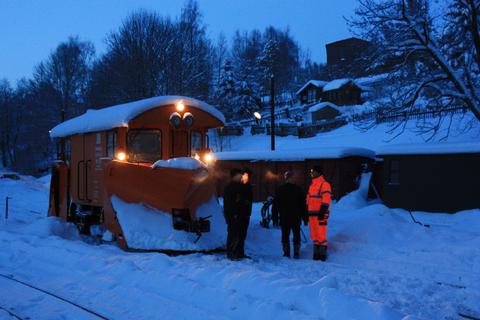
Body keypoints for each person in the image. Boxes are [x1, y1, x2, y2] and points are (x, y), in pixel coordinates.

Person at [272, 171, 307, 259]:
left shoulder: (286, 189)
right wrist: (275, 217)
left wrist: (305, 217)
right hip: (289, 216)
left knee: (292, 235)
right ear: (289, 178)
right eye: (292, 177)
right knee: (289, 235)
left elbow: (303, 204)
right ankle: (289, 253)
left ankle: (292, 253)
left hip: (290, 216)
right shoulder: (295, 189)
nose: (293, 179)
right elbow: (276, 204)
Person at [223, 168, 253, 260]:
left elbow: (246, 197)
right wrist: (233, 213)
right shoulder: (230, 187)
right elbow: (229, 203)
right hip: (234, 215)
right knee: (233, 234)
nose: (241, 176)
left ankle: (240, 252)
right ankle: (231, 253)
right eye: (239, 174)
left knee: (241, 234)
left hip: (243, 214)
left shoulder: (242, 186)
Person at [306, 165, 332, 261]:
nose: (311, 173)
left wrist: (323, 211)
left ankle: (322, 255)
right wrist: (306, 211)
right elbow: (308, 200)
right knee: (314, 235)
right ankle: (316, 255)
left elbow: (326, 199)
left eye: (313, 171)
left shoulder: (325, 184)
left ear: (318, 172)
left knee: (321, 235)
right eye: (311, 171)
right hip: (312, 214)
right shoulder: (312, 185)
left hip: (322, 214)